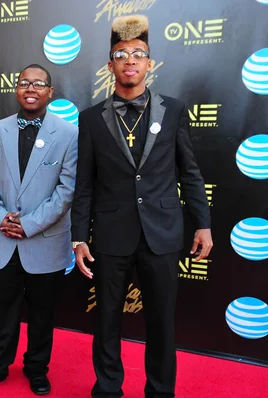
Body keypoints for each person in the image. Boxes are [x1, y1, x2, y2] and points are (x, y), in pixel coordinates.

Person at [71, 15, 213, 398]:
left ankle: (160, 391)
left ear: (150, 63)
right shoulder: (89, 119)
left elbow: (191, 173)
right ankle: (107, 389)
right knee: (106, 321)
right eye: (121, 54)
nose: (130, 60)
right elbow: (84, 184)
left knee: (162, 323)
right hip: (111, 236)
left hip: (162, 234)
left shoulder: (175, 109)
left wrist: (203, 225)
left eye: (139, 54)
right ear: (110, 64)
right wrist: (78, 238)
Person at [0, 64, 78, 396]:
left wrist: (29, 225)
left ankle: (36, 369)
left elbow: (66, 190)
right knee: (2, 313)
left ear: (50, 92)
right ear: (16, 89)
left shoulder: (69, 133)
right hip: (3, 240)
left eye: (38, 84)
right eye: (24, 83)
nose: (30, 88)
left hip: (45, 242)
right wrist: (0, 217)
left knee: (43, 315)